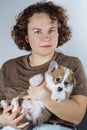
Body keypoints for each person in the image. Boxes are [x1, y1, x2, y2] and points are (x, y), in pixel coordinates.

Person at [0, 1, 87, 130]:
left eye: (51, 30)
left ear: (59, 33)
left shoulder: (72, 64)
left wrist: (46, 98)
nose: (46, 37)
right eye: (37, 32)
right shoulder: (9, 67)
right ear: (26, 37)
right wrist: (2, 119)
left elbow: (77, 116)